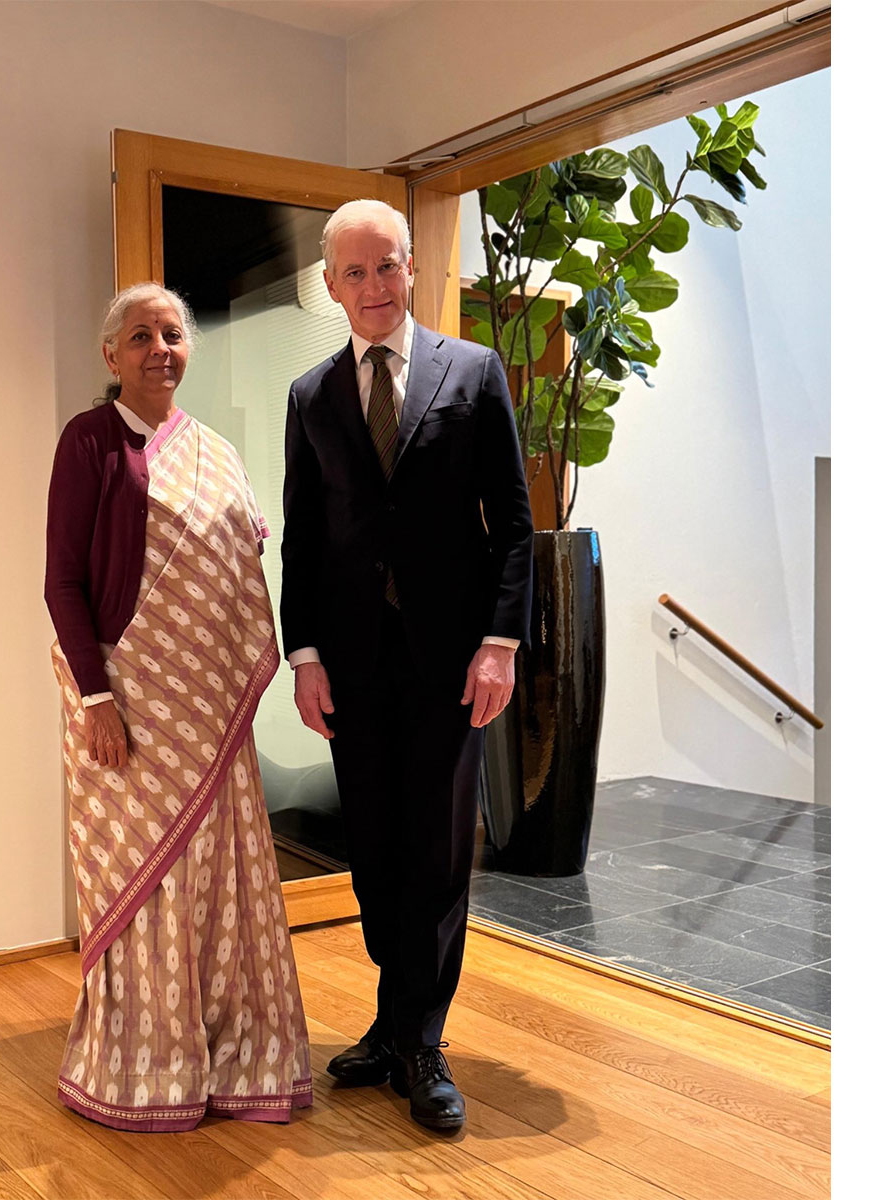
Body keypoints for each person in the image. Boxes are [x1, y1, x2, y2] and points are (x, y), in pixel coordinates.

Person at [280, 199, 534, 1131]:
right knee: (377, 852)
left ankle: (422, 1040)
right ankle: (391, 1024)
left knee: (435, 851)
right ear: (331, 284)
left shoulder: (473, 372)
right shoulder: (311, 396)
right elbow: (301, 543)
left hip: (449, 661)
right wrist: (302, 655)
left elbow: (511, 525)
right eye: (354, 273)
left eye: (386, 267)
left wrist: (499, 643)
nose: (373, 288)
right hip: (350, 666)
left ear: (412, 267)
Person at [43, 282, 312, 1133]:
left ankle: (231, 1048)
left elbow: (237, 568)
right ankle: (143, 1059)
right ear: (110, 354)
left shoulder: (217, 452)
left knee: (218, 876)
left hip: (207, 709)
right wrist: (96, 699)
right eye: (140, 335)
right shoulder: (89, 442)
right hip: (126, 699)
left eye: (172, 334)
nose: (160, 348)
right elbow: (63, 582)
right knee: (136, 877)